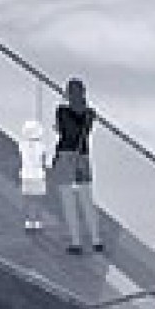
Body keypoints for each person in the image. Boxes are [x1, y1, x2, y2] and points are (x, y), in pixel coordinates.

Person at [52, 77, 104, 254]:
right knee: (87, 200)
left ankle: (76, 242)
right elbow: (83, 133)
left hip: (66, 155)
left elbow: (62, 131)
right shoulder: (89, 114)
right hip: (83, 156)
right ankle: (96, 240)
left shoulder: (62, 111)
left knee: (68, 201)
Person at [17, 119, 49, 232]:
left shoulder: (22, 145)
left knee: (27, 199)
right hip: (38, 175)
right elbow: (43, 162)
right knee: (38, 199)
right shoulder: (42, 146)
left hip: (26, 175)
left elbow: (20, 160)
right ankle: (37, 221)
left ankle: (28, 221)